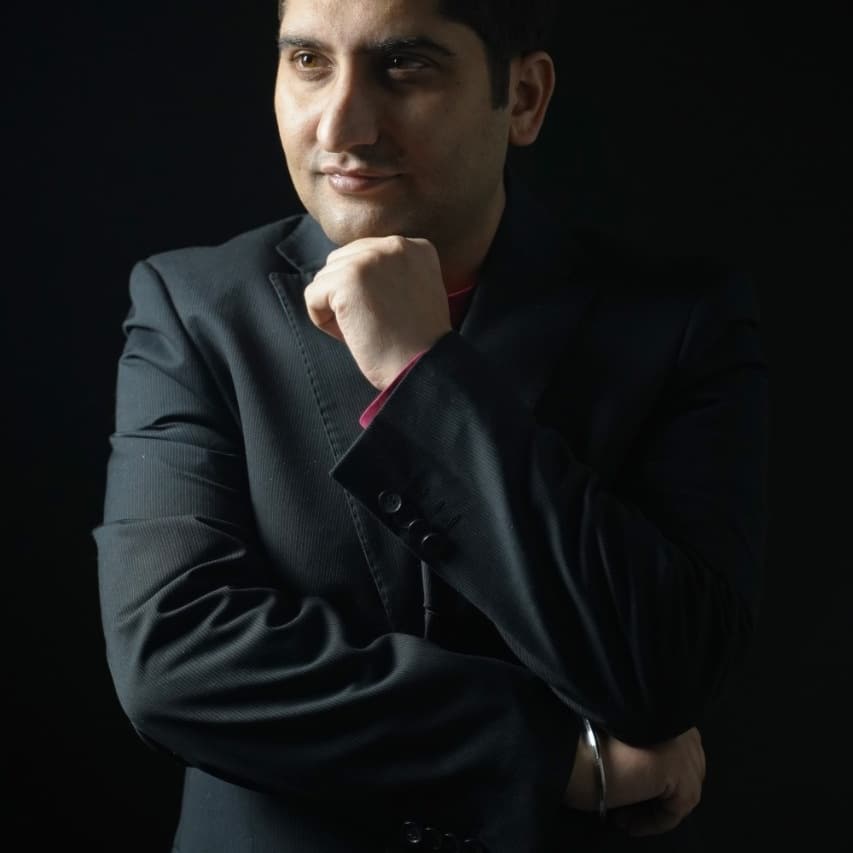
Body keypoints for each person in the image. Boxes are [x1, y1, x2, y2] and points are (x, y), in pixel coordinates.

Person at [93, 0, 769, 851]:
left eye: (404, 65)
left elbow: (663, 669)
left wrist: (421, 369)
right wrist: (556, 754)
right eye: (308, 62)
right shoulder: (194, 307)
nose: (340, 125)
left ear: (523, 98)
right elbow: (172, 661)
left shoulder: (679, 322)